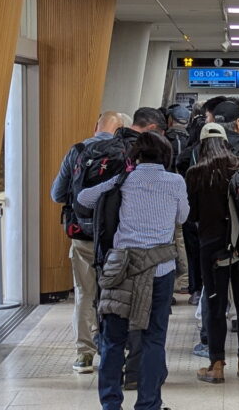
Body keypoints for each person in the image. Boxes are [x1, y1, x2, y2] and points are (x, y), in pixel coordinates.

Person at [77, 131, 189, 410]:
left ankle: (111, 404)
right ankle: (149, 404)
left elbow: (84, 199)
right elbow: (183, 216)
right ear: (166, 156)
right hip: (159, 268)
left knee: (113, 339)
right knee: (153, 339)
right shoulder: (176, 181)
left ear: (135, 156)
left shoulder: (124, 180)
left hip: (121, 268)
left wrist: (119, 179)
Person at [186, 123, 239, 384]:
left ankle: (216, 365)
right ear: (226, 142)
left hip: (212, 247)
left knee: (216, 304)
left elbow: (191, 215)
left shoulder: (196, 173)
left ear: (203, 145)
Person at [50, 110, 123, 374]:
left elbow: (57, 194)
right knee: (115, 294)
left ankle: (84, 355)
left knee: (84, 293)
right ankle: (112, 349)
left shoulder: (77, 150)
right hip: (115, 238)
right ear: (120, 129)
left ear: (96, 126)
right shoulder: (124, 152)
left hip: (82, 236)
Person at [166, 105, 192, 296]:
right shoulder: (192, 140)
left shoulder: (163, 141)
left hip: (165, 196)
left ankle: (174, 277)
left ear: (170, 120)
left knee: (169, 237)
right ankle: (186, 278)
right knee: (182, 237)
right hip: (186, 195)